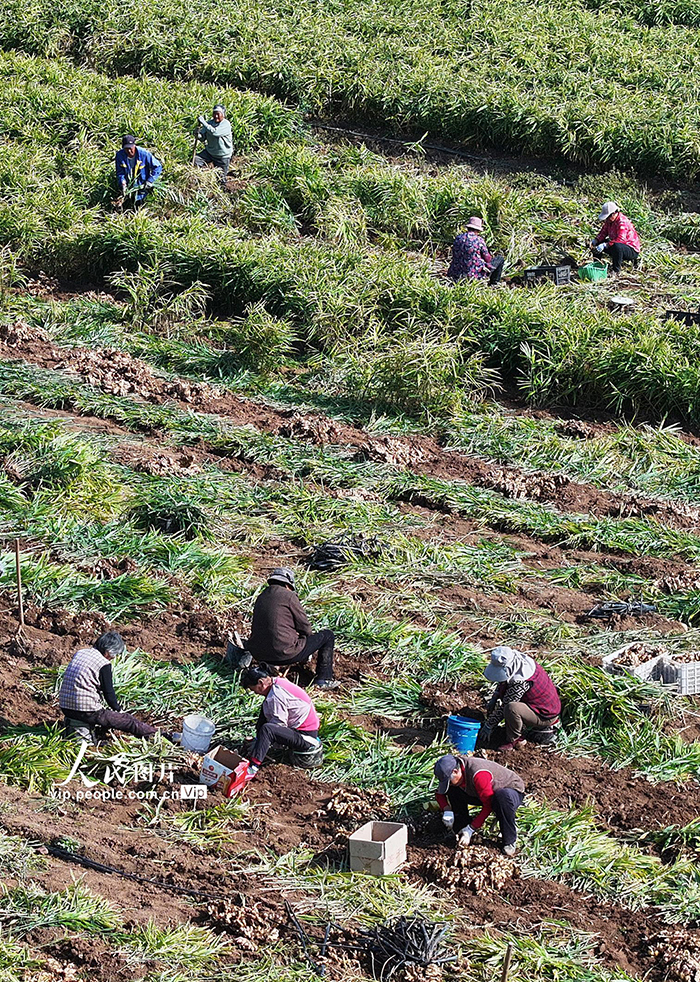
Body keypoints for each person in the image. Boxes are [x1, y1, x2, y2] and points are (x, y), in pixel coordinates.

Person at [243, 568, 338, 689]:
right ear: (288, 585)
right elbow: (305, 627)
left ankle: (271, 666)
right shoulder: (289, 596)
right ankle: (323, 679)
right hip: (283, 654)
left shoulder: (261, 596)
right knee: (328, 635)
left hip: (258, 654)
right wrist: (305, 648)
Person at [59, 632, 161, 741]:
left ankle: (98, 732)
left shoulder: (80, 653)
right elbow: (108, 692)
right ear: (108, 652)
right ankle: (158, 735)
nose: (113, 658)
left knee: (103, 717)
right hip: (85, 710)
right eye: (114, 655)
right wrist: (118, 709)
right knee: (128, 721)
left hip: (65, 706)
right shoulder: (103, 663)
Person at [434, 752, 525, 856]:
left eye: (449, 781)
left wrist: (471, 828)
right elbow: (439, 793)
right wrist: (447, 810)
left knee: (501, 797)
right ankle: (461, 827)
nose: (449, 783)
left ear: (455, 771)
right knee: (453, 789)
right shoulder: (454, 770)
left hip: (509, 792)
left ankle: (509, 841)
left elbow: (488, 805)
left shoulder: (478, 775)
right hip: (480, 792)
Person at [240, 664, 323, 778]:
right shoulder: (277, 682)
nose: (255, 692)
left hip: (306, 737)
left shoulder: (276, 696)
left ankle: (253, 767)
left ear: (261, 683)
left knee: (267, 730)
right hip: (300, 730)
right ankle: (257, 743)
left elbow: (278, 726)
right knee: (264, 711)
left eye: (253, 689)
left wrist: (266, 742)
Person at [480, 646, 561, 751]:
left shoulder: (521, 681)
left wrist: (489, 725)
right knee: (510, 707)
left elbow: (505, 705)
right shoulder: (518, 662)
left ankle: (515, 739)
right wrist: (494, 697)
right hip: (539, 705)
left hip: (545, 715)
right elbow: (504, 680)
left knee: (512, 709)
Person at [447, 217, 504, 285]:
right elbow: (487, 258)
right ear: (478, 230)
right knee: (500, 259)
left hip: (455, 273)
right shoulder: (479, 240)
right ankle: (494, 283)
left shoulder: (458, 238)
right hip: (473, 275)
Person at [591, 202, 640, 274]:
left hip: (630, 249)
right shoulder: (609, 221)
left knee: (617, 246)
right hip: (616, 244)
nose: (606, 219)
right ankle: (597, 265)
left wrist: (605, 245)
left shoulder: (622, 222)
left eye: (608, 217)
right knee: (599, 244)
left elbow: (621, 239)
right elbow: (603, 232)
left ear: (613, 214)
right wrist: (596, 240)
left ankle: (616, 271)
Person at [114, 135, 163, 208]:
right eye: (126, 149)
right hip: (128, 187)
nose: (129, 151)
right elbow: (120, 172)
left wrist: (150, 180)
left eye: (130, 148)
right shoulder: (119, 155)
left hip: (142, 187)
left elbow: (157, 167)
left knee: (140, 205)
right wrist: (122, 182)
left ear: (134, 146)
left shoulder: (144, 154)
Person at [194, 105, 233, 181]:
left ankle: (223, 186)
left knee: (221, 178)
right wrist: (197, 134)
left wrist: (204, 123)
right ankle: (199, 178)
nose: (216, 116)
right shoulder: (210, 123)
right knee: (196, 160)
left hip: (222, 156)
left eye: (218, 114)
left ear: (223, 115)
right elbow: (202, 138)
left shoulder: (226, 124)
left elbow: (215, 132)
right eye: (214, 113)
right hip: (210, 152)